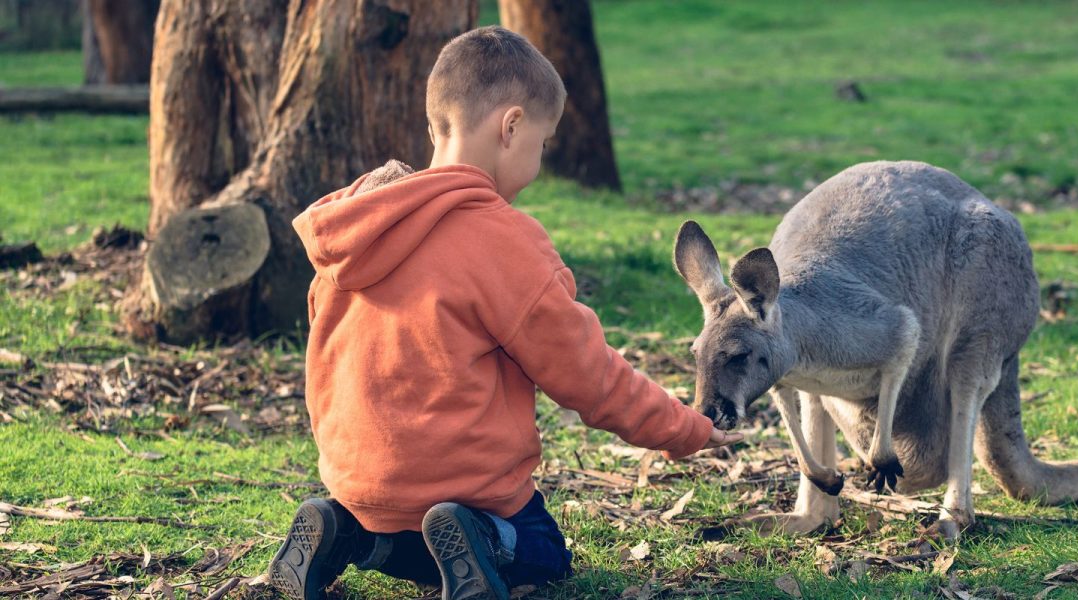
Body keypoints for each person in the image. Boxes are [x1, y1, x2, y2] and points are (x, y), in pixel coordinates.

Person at [267, 26, 740, 600]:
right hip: (464, 488)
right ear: (511, 128)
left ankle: (346, 535)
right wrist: (683, 429)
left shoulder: (358, 224)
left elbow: (325, 351)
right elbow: (588, 376)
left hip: (357, 483)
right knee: (543, 553)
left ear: (435, 125)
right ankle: (488, 536)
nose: (538, 160)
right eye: (542, 144)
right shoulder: (503, 240)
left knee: (412, 530)